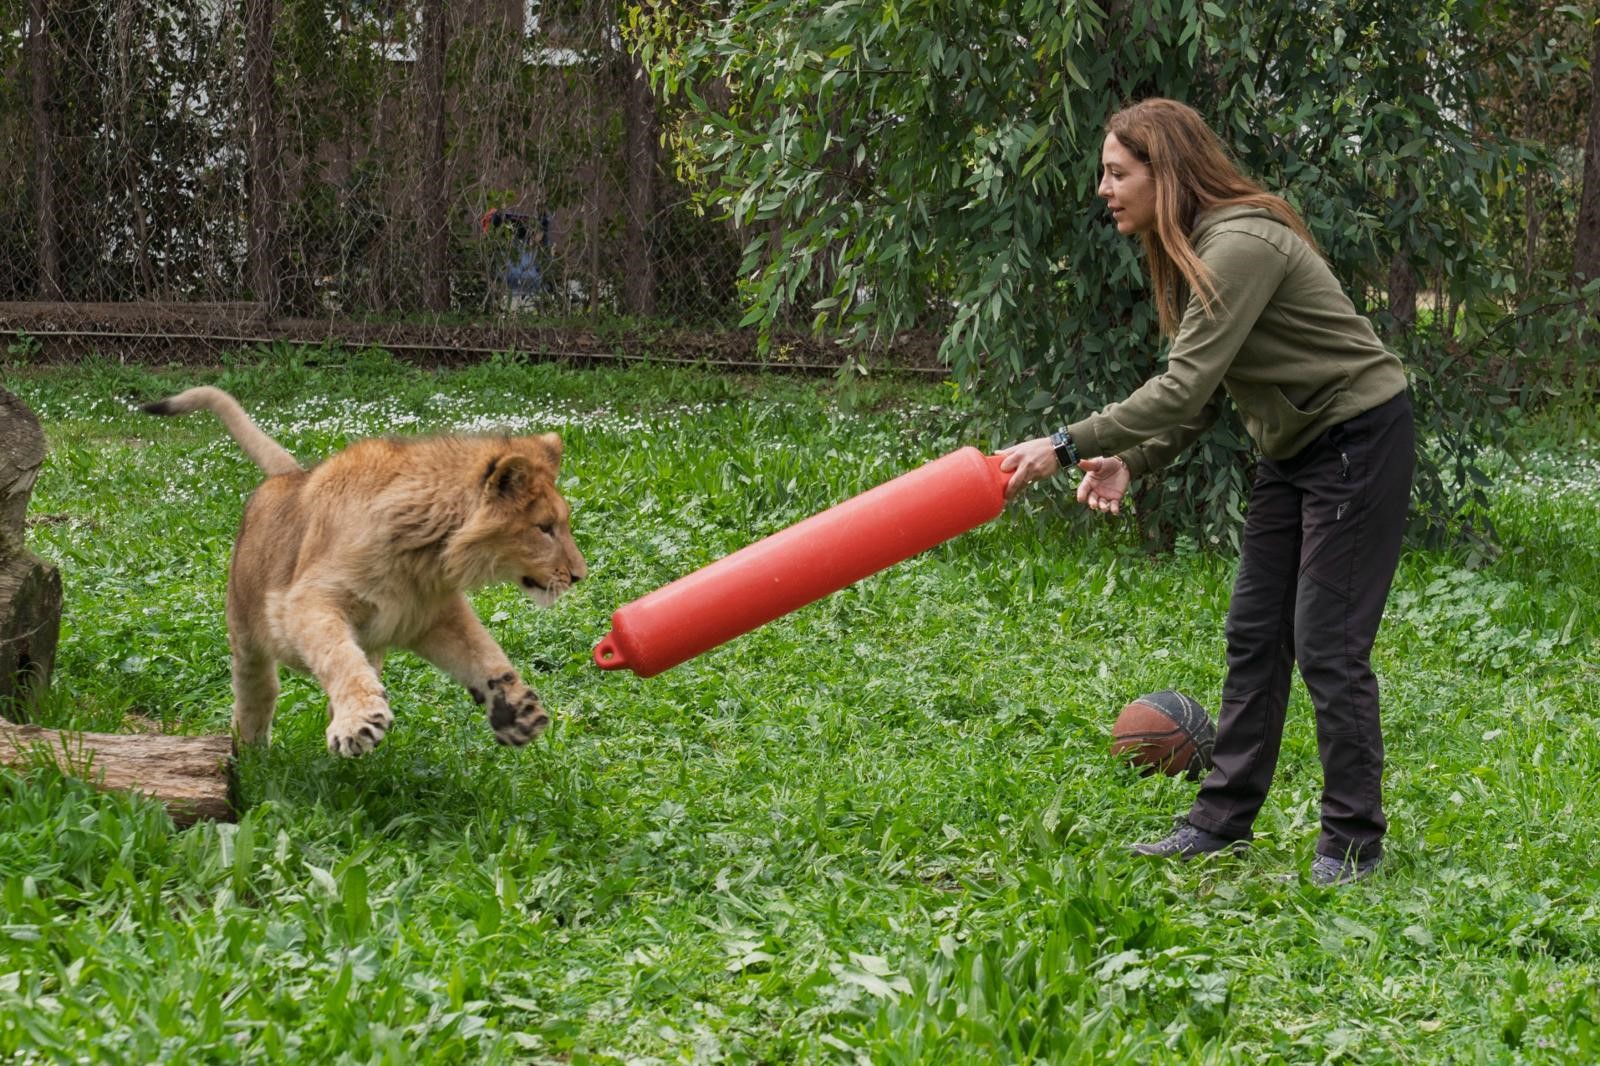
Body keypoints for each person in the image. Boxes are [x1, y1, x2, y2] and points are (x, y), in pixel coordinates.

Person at [998, 98, 1414, 887]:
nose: (1104, 189)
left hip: (1358, 438)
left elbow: (1182, 389)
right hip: (1295, 450)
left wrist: (1065, 446)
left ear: (1168, 171)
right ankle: (1220, 825)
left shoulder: (1241, 245)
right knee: (1256, 634)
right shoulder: (1198, 249)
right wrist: (1135, 461)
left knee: (1327, 642)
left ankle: (1353, 846)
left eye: (1119, 173)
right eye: (1103, 174)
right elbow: (1210, 391)